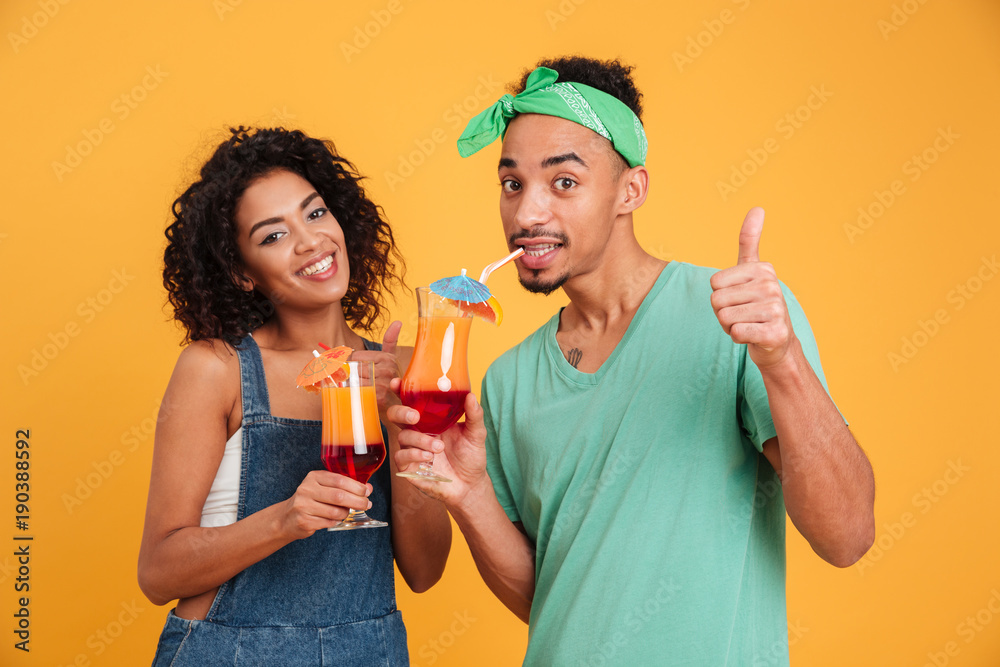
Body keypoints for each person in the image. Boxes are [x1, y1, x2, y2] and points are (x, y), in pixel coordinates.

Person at [389, 57, 876, 666]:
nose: (528, 214)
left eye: (563, 182)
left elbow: (848, 537)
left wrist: (782, 363)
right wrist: (469, 492)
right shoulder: (506, 380)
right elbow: (554, 599)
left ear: (631, 190)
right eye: (512, 184)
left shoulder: (736, 316)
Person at [138, 127, 451, 666]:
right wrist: (287, 519)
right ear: (241, 273)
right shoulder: (218, 369)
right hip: (229, 651)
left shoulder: (397, 368)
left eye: (314, 213)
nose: (310, 242)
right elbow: (158, 572)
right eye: (272, 236)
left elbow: (424, 572)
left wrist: (402, 428)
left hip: (367, 652)